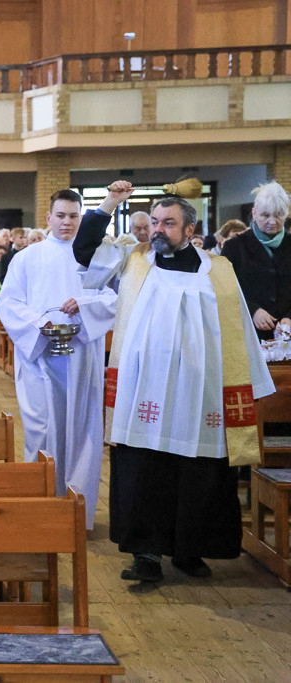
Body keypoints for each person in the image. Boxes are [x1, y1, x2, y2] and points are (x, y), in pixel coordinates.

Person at [74, 181, 274, 583]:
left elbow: (238, 331)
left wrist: (250, 381)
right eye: (156, 222)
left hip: (199, 394)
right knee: (144, 471)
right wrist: (109, 203)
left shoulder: (218, 271)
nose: (159, 230)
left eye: (169, 223)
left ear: (189, 230)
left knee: (197, 470)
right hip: (143, 388)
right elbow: (84, 253)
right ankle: (145, 554)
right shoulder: (134, 260)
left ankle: (190, 550)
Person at [0, 189, 117, 530]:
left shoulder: (97, 256)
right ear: (48, 218)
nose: (67, 222)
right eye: (60, 215)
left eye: (73, 216)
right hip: (39, 358)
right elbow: (8, 304)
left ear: (81, 217)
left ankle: (77, 514)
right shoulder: (27, 257)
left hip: (82, 354)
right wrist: (40, 324)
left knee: (83, 431)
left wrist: (85, 307)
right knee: (41, 429)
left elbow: (113, 299)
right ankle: (40, 509)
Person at [221, 182, 290, 339]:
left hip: (287, 333)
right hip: (247, 332)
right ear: (254, 213)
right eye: (265, 215)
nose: (272, 222)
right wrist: (252, 310)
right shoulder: (234, 247)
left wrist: (289, 317)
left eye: (279, 215)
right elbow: (224, 291)